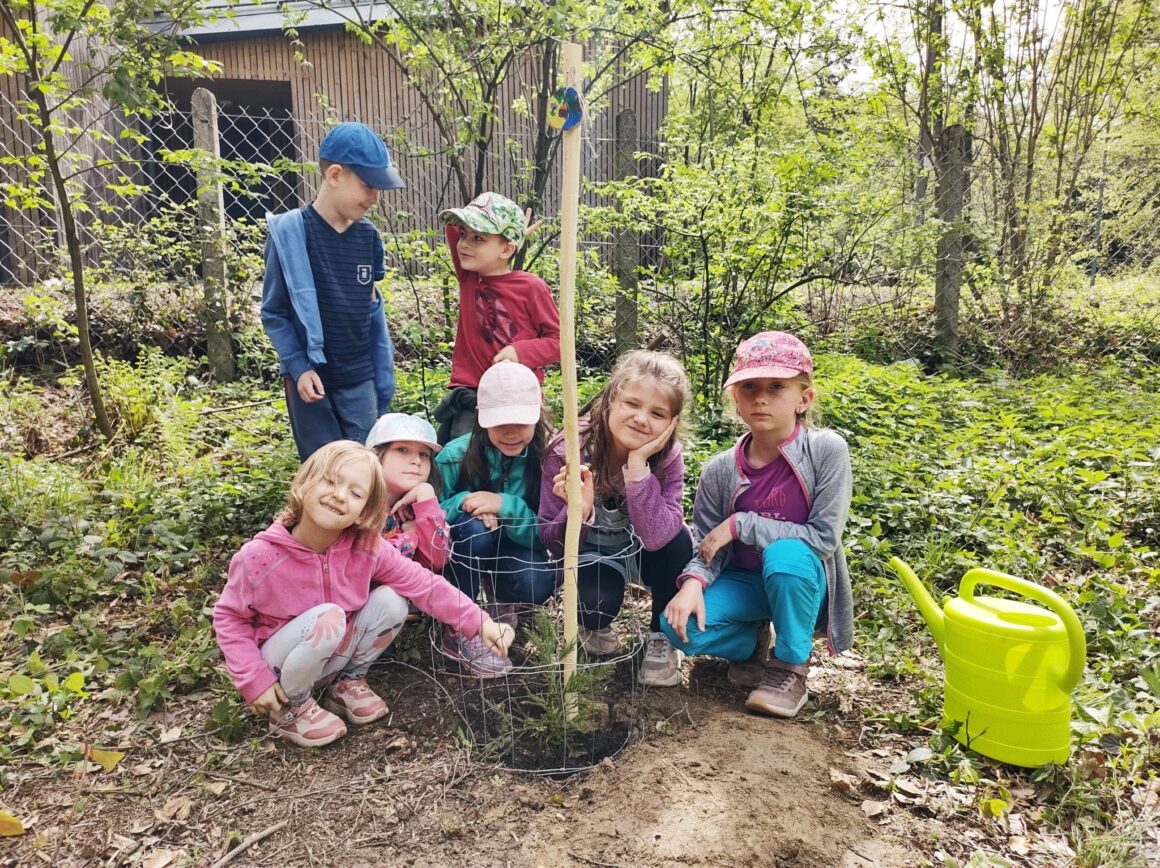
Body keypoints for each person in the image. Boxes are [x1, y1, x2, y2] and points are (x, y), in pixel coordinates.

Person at [213, 441, 514, 747]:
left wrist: (481, 622)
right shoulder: (259, 557)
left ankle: (346, 682)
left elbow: (423, 583)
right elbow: (229, 618)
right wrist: (254, 679)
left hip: (331, 653)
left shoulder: (367, 548)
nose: (339, 495)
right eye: (330, 481)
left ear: (363, 513)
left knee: (393, 600)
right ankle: (291, 708)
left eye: (355, 494)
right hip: (278, 666)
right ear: (304, 484)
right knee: (328, 618)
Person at [661, 331, 853, 719]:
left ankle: (789, 667)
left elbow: (822, 539)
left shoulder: (826, 451)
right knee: (678, 626)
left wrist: (742, 523)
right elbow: (708, 543)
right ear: (736, 397)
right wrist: (692, 584)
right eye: (749, 387)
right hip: (745, 581)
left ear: (804, 398)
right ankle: (751, 643)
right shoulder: (720, 470)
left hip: (800, 578)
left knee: (784, 556)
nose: (761, 397)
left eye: (777, 387)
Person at [538, 350, 694, 688]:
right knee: (595, 606)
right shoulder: (568, 449)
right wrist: (580, 511)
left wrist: (639, 466)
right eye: (632, 404)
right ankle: (593, 622)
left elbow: (659, 538)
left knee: (680, 539)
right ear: (611, 400)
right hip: (595, 552)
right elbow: (550, 541)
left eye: (657, 413)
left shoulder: (667, 458)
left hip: (643, 550)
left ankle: (660, 637)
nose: (641, 419)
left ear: (671, 424)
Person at [261, 122, 405, 461]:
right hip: (312, 381)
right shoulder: (291, 234)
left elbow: (371, 310)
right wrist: (298, 366)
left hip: (360, 379)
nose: (374, 198)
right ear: (335, 175)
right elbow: (274, 311)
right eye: (368, 185)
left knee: (366, 464)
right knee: (322, 468)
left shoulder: (369, 238)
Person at [435, 361, 558, 677]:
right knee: (475, 530)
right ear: (481, 418)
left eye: (521, 420)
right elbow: (427, 515)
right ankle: (460, 627)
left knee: (537, 581)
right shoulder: (453, 456)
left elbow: (545, 534)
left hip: (514, 550)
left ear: (537, 414)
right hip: (464, 553)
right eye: (500, 420)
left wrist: (505, 505)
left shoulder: (547, 461)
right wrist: (464, 502)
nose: (511, 432)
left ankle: (500, 600)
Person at [433, 192, 561, 443]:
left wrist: (519, 352)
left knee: (532, 463)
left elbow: (559, 343)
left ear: (507, 250)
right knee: (462, 464)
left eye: (478, 237)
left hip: (516, 397)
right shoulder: (471, 277)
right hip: (472, 394)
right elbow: (451, 226)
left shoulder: (531, 287)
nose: (465, 244)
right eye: (465, 235)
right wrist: (506, 233)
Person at [365, 413, 450, 572]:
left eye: (423, 454)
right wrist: (411, 536)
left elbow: (436, 560)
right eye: (402, 450)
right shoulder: (360, 503)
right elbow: (368, 566)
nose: (416, 461)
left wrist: (426, 496)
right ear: (376, 455)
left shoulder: (417, 507)